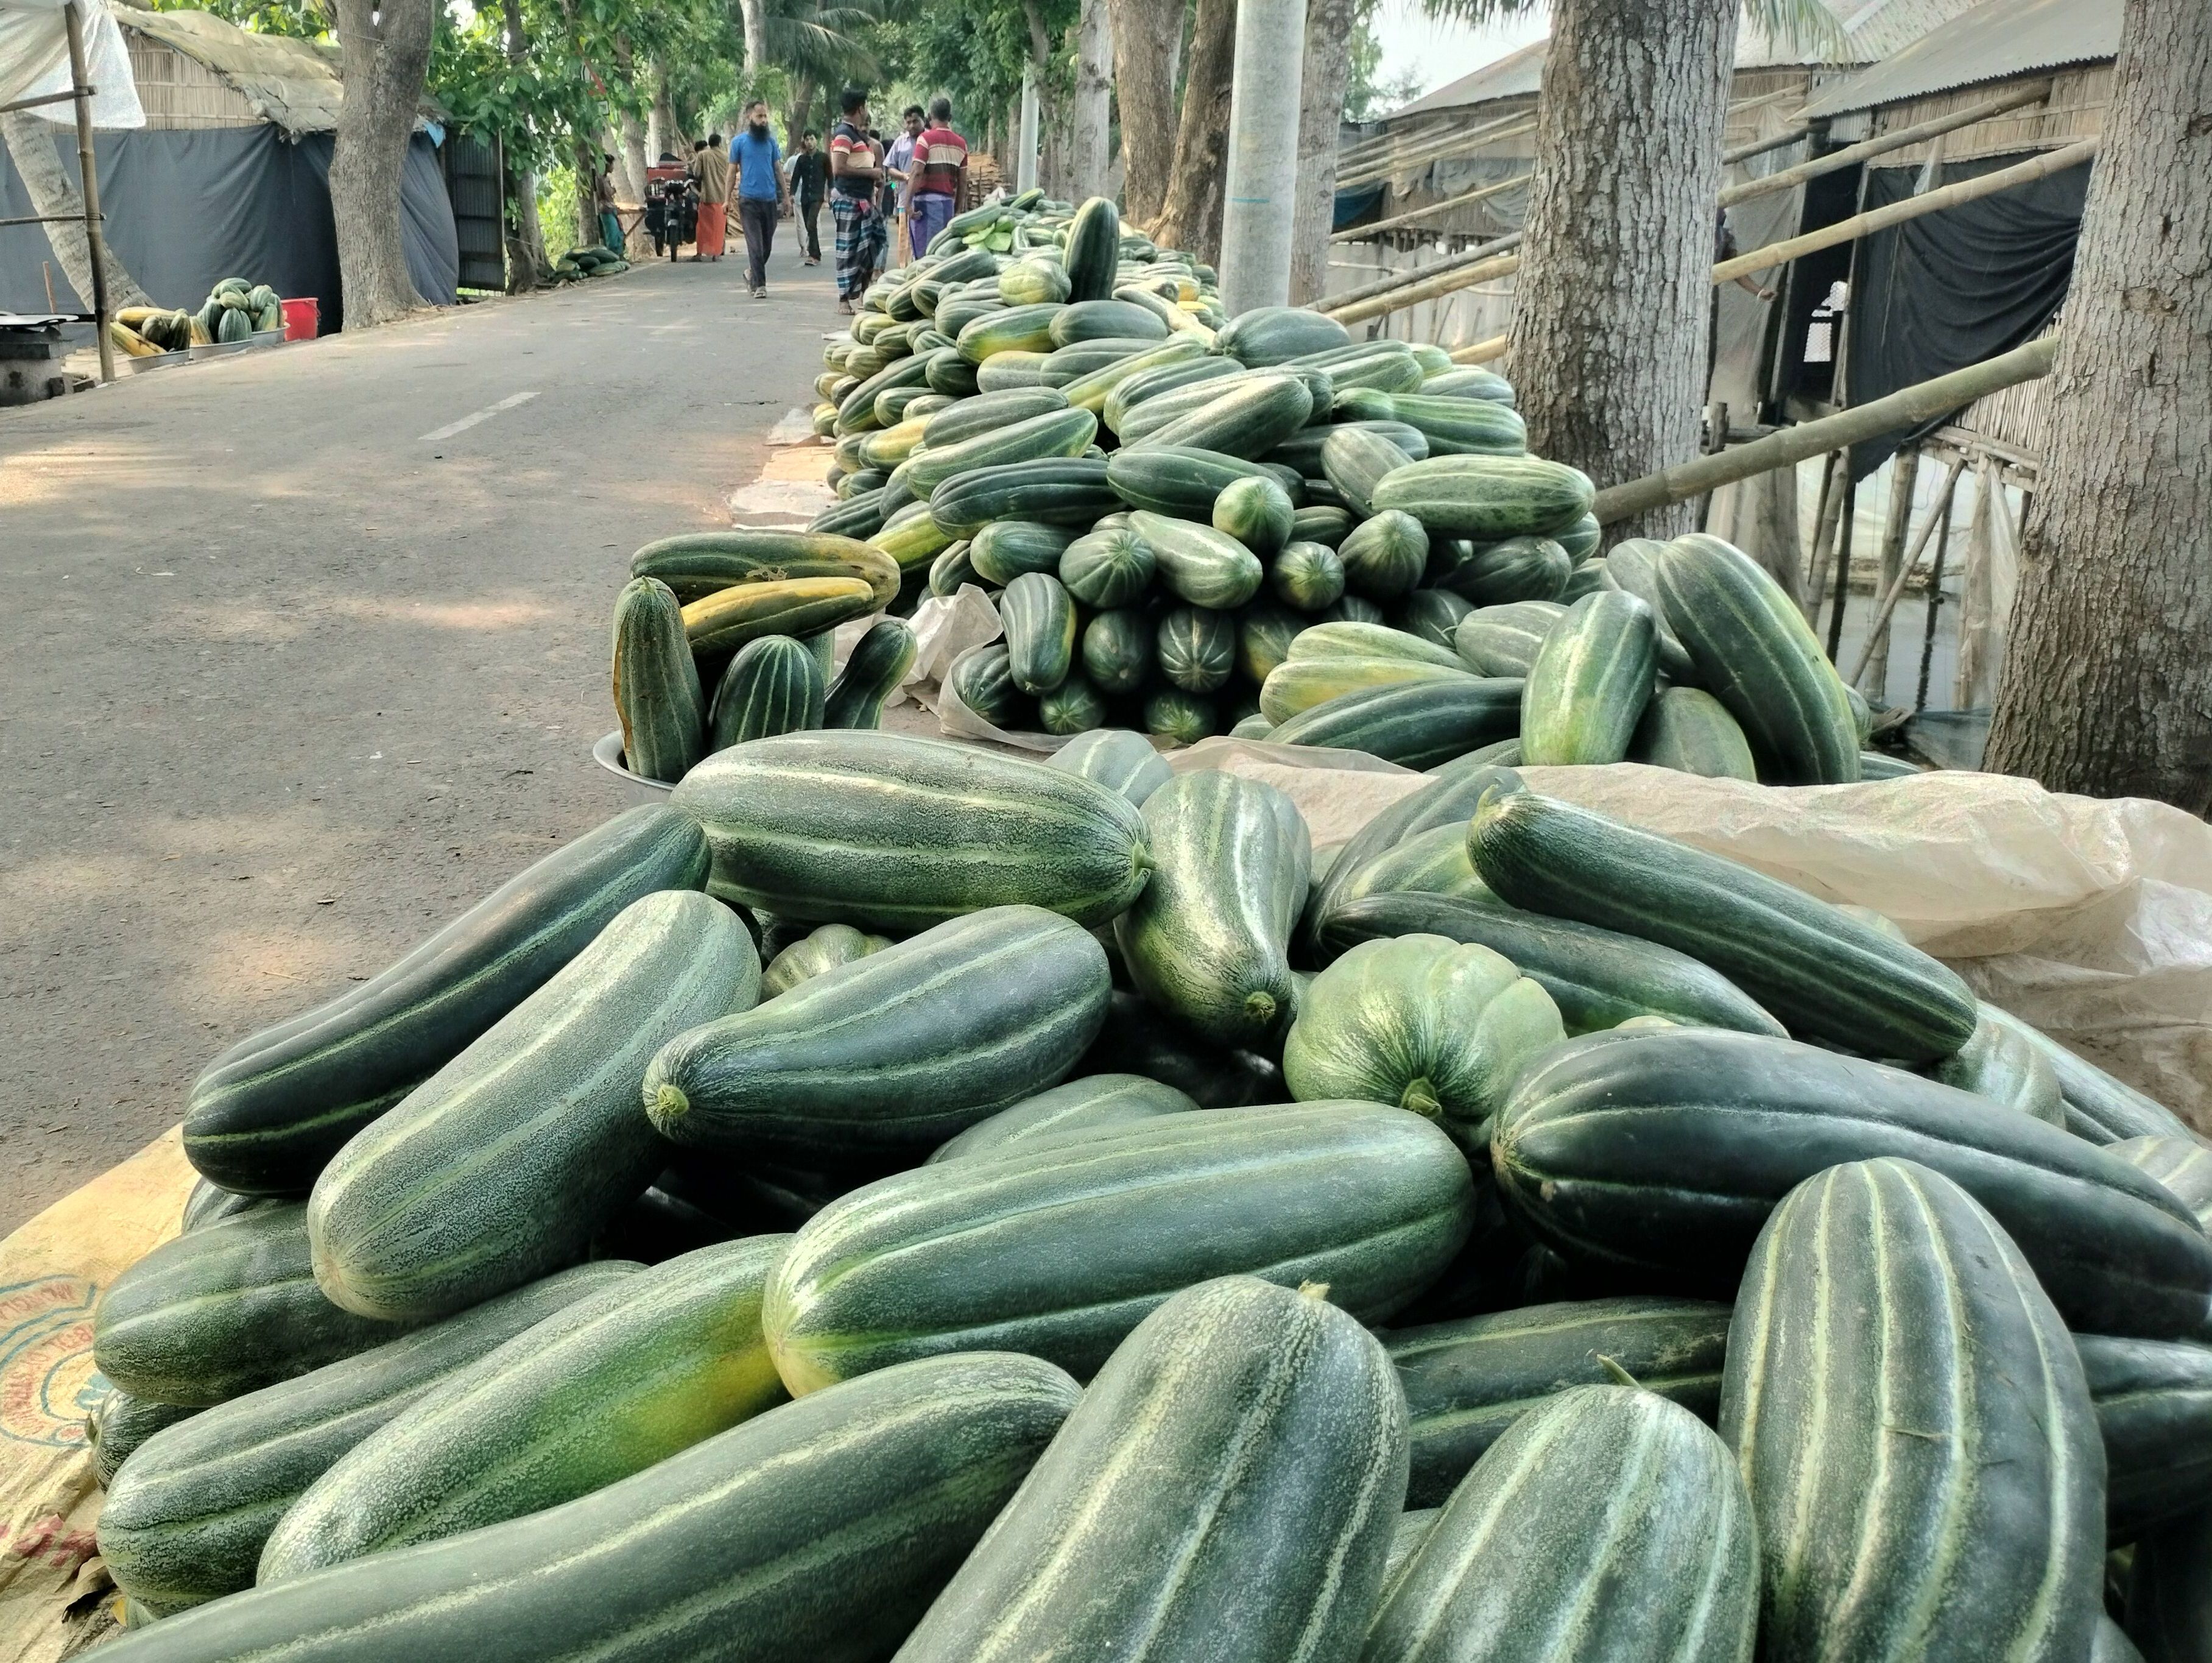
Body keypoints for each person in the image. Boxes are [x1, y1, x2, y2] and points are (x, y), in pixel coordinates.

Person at [828, 88, 887, 313]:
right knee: (849, 248)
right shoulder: (843, 134)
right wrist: (870, 174)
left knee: (872, 243)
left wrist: (877, 179)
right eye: (865, 107)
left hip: (865, 201)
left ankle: (864, 293)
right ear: (860, 108)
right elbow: (839, 168)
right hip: (848, 200)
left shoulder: (859, 136)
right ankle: (844, 299)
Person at [728, 102, 786, 298]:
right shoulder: (739, 143)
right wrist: (725, 200)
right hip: (748, 200)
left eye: (765, 116)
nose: (763, 121)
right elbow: (731, 172)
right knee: (756, 245)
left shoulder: (771, 143)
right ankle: (760, 286)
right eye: (759, 117)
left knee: (766, 247)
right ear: (749, 118)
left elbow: (778, 169)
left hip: (769, 200)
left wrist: (786, 197)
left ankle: (751, 273)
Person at [906, 97, 968, 260]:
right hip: (947, 204)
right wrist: (957, 210)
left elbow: (917, 173)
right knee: (942, 255)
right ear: (950, 118)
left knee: (925, 256)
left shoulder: (925, 140)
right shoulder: (961, 144)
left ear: (929, 116)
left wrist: (907, 203)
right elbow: (962, 182)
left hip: (925, 206)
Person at [884, 105, 923, 267]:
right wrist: (904, 176)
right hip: (903, 198)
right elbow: (890, 169)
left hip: (925, 197)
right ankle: (904, 272)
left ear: (924, 120)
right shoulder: (900, 142)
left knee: (923, 237)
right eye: (908, 122)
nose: (912, 125)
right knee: (904, 239)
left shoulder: (929, 140)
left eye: (915, 121)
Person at [689, 135, 733, 261]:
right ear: (719, 143)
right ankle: (716, 254)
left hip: (707, 195)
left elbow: (697, 174)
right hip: (722, 197)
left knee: (703, 226)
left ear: (709, 143)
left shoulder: (703, 155)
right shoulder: (727, 156)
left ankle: (700, 253)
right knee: (719, 226)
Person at [786, 130, 828, 266]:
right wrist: (792, 194)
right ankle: (817, 253)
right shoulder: (801, 160)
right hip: (804, 198)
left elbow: (830, 176)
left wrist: (830, 193)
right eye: (807, 140)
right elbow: (796, 178)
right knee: (809, 225)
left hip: (817, 196)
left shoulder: (823, 158)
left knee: (811, 223)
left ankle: (813, 255)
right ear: (804, 142)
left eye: (812, 139)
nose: (809, 142)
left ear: (816, 141)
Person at [594, 154, 623, 255]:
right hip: (606, 209)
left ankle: (618, 256)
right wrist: (613, 190)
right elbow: (605, 194)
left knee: (619, 233)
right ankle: (612, 257)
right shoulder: (600, 179)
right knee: (612, 237)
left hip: (611, 208)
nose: (613, 167)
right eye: (612, 165)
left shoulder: (606, 179)